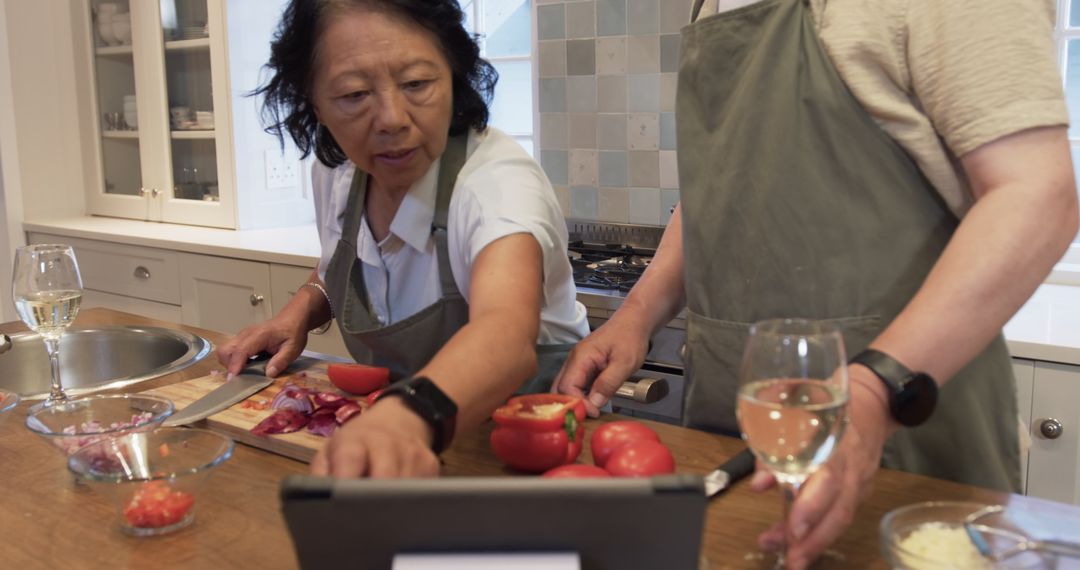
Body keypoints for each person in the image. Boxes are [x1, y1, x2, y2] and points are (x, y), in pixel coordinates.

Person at [553, 0, 1078, 567]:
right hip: (731, 429)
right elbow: (720, 191)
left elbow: (1037, 197)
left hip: (909, 440)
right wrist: (638, 313)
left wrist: (877, 390)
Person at [219, 0, 588, 479]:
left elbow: (505, 333)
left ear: (454, 76)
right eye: (354, 95)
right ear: (315, 103)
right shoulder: (337, 173)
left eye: (416, 83)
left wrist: (404, 417)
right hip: (403, 442)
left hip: (529, 449)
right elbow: (346, 263)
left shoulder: (496, 183)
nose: (392, 118)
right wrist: (301, 311)